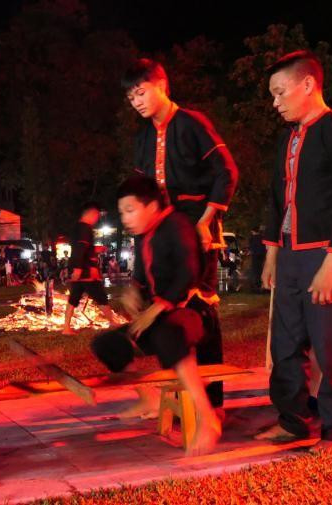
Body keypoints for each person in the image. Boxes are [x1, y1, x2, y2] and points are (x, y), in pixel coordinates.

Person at [259, 50, 332, 453]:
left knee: (329, 342)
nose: (275, 102)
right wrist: (272, 253)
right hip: (289, 254)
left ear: (308, 85)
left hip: (324, 255)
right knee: (284, 344)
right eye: (272, 95)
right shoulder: (289, 137)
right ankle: (292, 420)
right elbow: (276, 199)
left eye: (280, 92)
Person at [123, 58, 239, 411]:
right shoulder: (143, 137)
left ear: (162, 86)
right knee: (164, 311)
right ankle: (180, 399)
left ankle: (211, 403)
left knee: (199, 309)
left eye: (141, 93)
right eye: (131, 98)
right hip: (162, 237)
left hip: (196, 230)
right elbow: (142, 194)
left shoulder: (191, 123)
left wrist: (206, 219)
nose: (137, 102)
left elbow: (227, 171)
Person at [91, 175, 221, 455]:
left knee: (168, 335)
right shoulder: (143, 235)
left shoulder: (178, 225)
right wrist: (133, 292)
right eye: (121, 212)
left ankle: (206, 417)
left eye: (130, 210)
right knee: (107, 345)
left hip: (193, 312)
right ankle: (148, 399)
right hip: (159, 316)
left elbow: (189, 273)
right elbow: (140, 274)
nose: (124, 218)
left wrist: (157, 308)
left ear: (151, 206)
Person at [61, 202, 116, 335]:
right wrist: (79, 268)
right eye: (96, 215)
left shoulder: (77, 228)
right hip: (86, 271)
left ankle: (66, 328)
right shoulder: (85, 228)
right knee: (100, 297)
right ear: (91, 214)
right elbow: (80, 248)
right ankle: (113, 323)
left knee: (73, 299)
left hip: (80, 270)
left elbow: (81, 248)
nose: (97, 218)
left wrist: (95, 249)